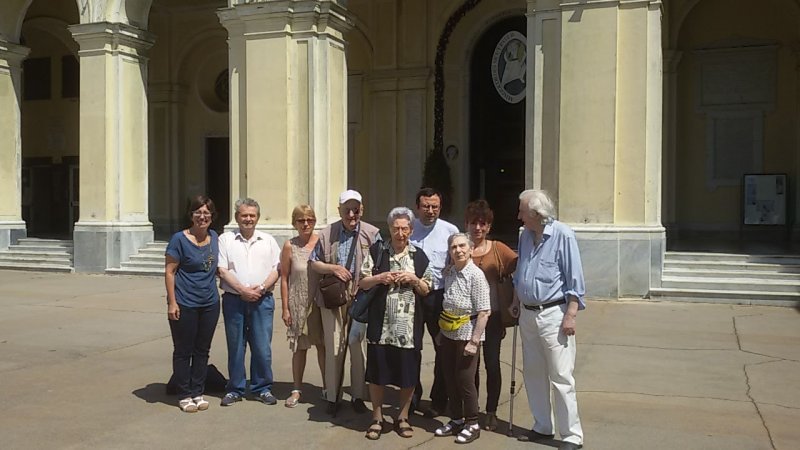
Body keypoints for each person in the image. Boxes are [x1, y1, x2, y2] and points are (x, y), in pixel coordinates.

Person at [511, 189, 585, 450]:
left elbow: (575, 279)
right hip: (528, 314)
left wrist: (571, 315)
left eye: (522, 211)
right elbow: (521, 272)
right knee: (533, 373)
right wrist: (515, 300)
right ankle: (543, 425)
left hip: (554, 314)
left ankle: (571, 435)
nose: (518, 216)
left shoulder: (563, 234)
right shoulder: (525, 236)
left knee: (561, 376)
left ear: (536, 214)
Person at [359, 207, 432, 440]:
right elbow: (363, 283)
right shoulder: (377, 251)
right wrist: (381, 277)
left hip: (408, 329)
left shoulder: (418, 256)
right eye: (395, 228)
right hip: (381, 326)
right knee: (377, 373)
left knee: (407, 375)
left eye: (404, 228)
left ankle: (403, 417)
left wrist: (413, 279)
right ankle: (377, 417)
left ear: (411, 230)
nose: (400, 233)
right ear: (389, 229)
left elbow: (426, 288)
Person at [309, 189, 381, 415]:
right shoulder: (326, 233)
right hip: (332, 296)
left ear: (362, 209)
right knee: (333, 347)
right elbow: (314, 263)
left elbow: (379, 263)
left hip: (362, 295)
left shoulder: (372, 233)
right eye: (347, 209)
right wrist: (334, 268)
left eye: (355, 209)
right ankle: (333, 396)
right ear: (339, 210)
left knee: (358, 347)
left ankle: (358, 396)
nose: (351, 214)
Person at [217, 198, 281, 407]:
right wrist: (242, 290)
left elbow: (277, 269)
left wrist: (261, 288)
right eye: (244, 215)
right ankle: (235, 388)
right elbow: (222, 269)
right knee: (236, 346)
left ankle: (262, 388)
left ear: (258, 218)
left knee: (262, 347)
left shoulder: (268, 240)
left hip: (262, 300)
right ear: (237, 217)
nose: (248, 219)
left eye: (252, 215)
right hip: (234, 300)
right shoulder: (225, 239)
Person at [464, 200, 518, 431]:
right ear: (466, 224)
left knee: (492, 365)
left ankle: (492, 411)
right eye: (473, 223)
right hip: (467, 318)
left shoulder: (498, 249)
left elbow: (520, 267)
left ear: (488, 226)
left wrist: (515, 300)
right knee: (470, 367)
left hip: (493, 317)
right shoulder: (461, 248)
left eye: (482, 223)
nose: (478, 228)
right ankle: (472, 410)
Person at [165, 195, 221, 413]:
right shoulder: (179, 239)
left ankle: (198, 391)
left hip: (209, 303)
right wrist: (172, 302)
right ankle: (184, 394)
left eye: (206, 212)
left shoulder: (215, 237)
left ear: (212, 216)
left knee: (202, 350)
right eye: (198, 212)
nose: (202, 216)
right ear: (191, 215)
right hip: (185, 303)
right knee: (183, 350)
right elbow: (170, 272)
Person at [433, 233, 490, 444]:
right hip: (448, 332)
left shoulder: (476, 275)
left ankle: (473, 422)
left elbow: (484, 311)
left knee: (465, 380)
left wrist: (474, 341)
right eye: (454, 247)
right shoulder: (450, 273)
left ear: (471, 249)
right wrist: (440, 333)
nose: (458, 250)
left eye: (462, 246)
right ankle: (456, 419)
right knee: (449, 377)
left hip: (468, 333)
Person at [409, 187, 459, 417]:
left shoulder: (450, 231)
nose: (430, 211)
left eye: (435, 206)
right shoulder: (408, 229)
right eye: (426, 206)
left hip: (439, 297)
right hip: (412, 298)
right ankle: (412, 397)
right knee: (411, 349)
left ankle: (439, 401)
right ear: (417, 207)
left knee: (443, 349)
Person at [280, 204, 326, 408]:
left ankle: (328, 387)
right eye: (301, 220)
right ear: (294, 223)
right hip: (298, 302)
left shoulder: (322, 242)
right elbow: (284, 278)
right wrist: (285, 308)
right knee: (299, 348)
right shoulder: (290, 246)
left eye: (310, 219)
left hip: (321, 303)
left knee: (323, 346)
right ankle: (296, 388)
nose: (306, 223)